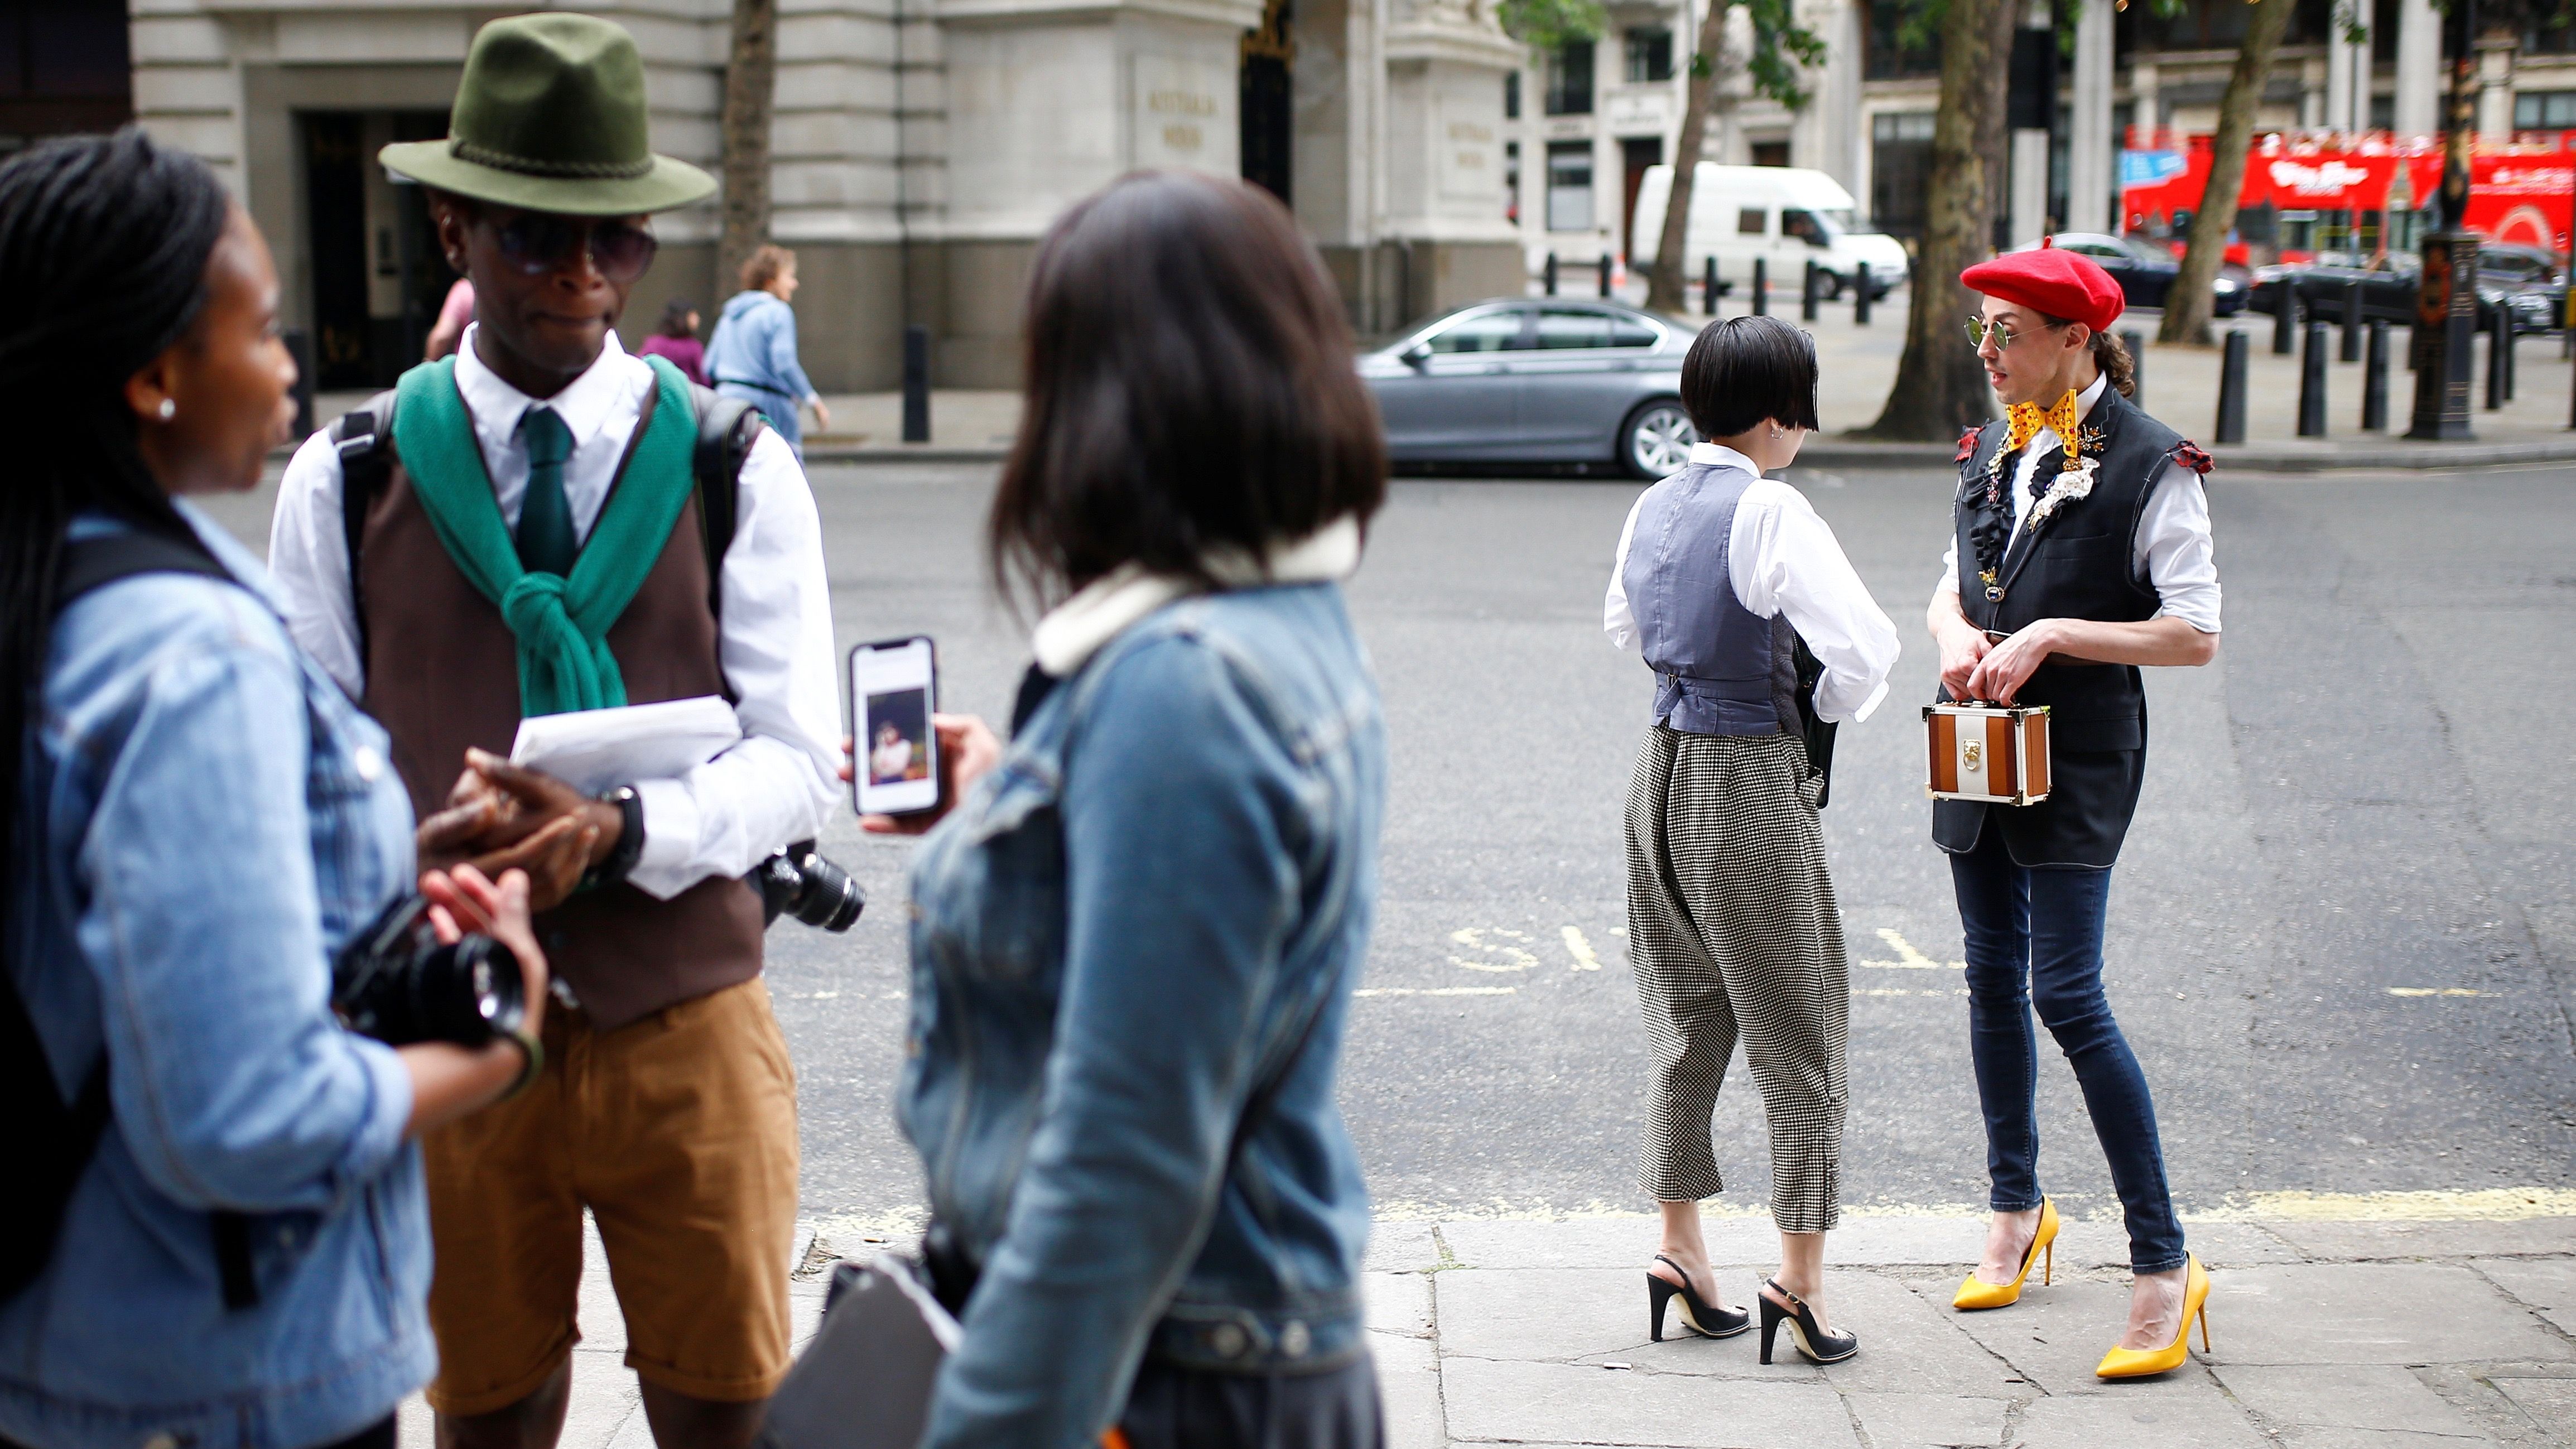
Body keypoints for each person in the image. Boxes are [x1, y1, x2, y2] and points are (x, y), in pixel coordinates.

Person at [264, 16, 840, 1449]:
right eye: (535, 238)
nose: (581, 277)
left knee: (728, 1413)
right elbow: (300, 791)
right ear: (452, 224)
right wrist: (424, 854)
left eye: (618, 242)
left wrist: (630, 830)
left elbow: (797, 761)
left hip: (687, 1022)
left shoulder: (730, 466)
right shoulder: (349, 479)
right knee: (487, 1414)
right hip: (451, 1028)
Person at [0, 129, 556, 1449]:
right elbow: (246, 1119)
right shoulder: (194, 665)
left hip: (62, 1335)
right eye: (258, 330)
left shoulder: (49, 595)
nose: (291, 365)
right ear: (152, 377)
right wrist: (494, 1049)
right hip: (230, 1375)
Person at [865, 170, 1389, 1448]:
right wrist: (1022, 794)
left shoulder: (1181, 688)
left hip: (1167, 1375)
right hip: (1216, 1347)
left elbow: (1121, 1165)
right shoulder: (1261, 626)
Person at [1935, 242, 2221, 1378]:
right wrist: (1958, 637)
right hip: (1976, 736)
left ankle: (2162, 1261)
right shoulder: (1986, 447)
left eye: (2008, 332)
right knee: (1985, 971)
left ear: (2076, 340)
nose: (1990, 352)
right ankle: (2016, 1207)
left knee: (2065, 990)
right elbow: (1947, 579)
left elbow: (2192, 631)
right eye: (1983, 332)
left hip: (2081, 750)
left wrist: (2052, 635)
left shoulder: (2154, 463)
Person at [1602, 314, 1900, 1367]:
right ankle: (1801, 1284)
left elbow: (1627, 633)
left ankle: (1679, 1248)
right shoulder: (1771, 510)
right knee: (1801, 1034)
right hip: (1744, 783)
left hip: (1659, 772)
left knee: (1684, 1024)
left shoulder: (1654, 502)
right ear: (1784, 413)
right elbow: (1866, 652)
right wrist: (1809, 704)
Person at [707, 245, 828, 452]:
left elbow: (709, 365)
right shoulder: (778, 311)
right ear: (771, 282)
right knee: (787, 476)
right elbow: (785, 363)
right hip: (769, 408)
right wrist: (813, 400)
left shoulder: (730, 314)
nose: (795, 284)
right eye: (790, 276)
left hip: (726, 404)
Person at [637, 297, 707, 384]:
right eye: (693, 315)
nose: (698, 319)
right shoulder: (693, 347)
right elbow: (703, 378)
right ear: (683, 318)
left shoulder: (654, 342)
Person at [426, 277, 476, 360]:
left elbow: (441, 338)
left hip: (465, 367)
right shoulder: (499, 292)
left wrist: (429, 367)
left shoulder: (464, 291)